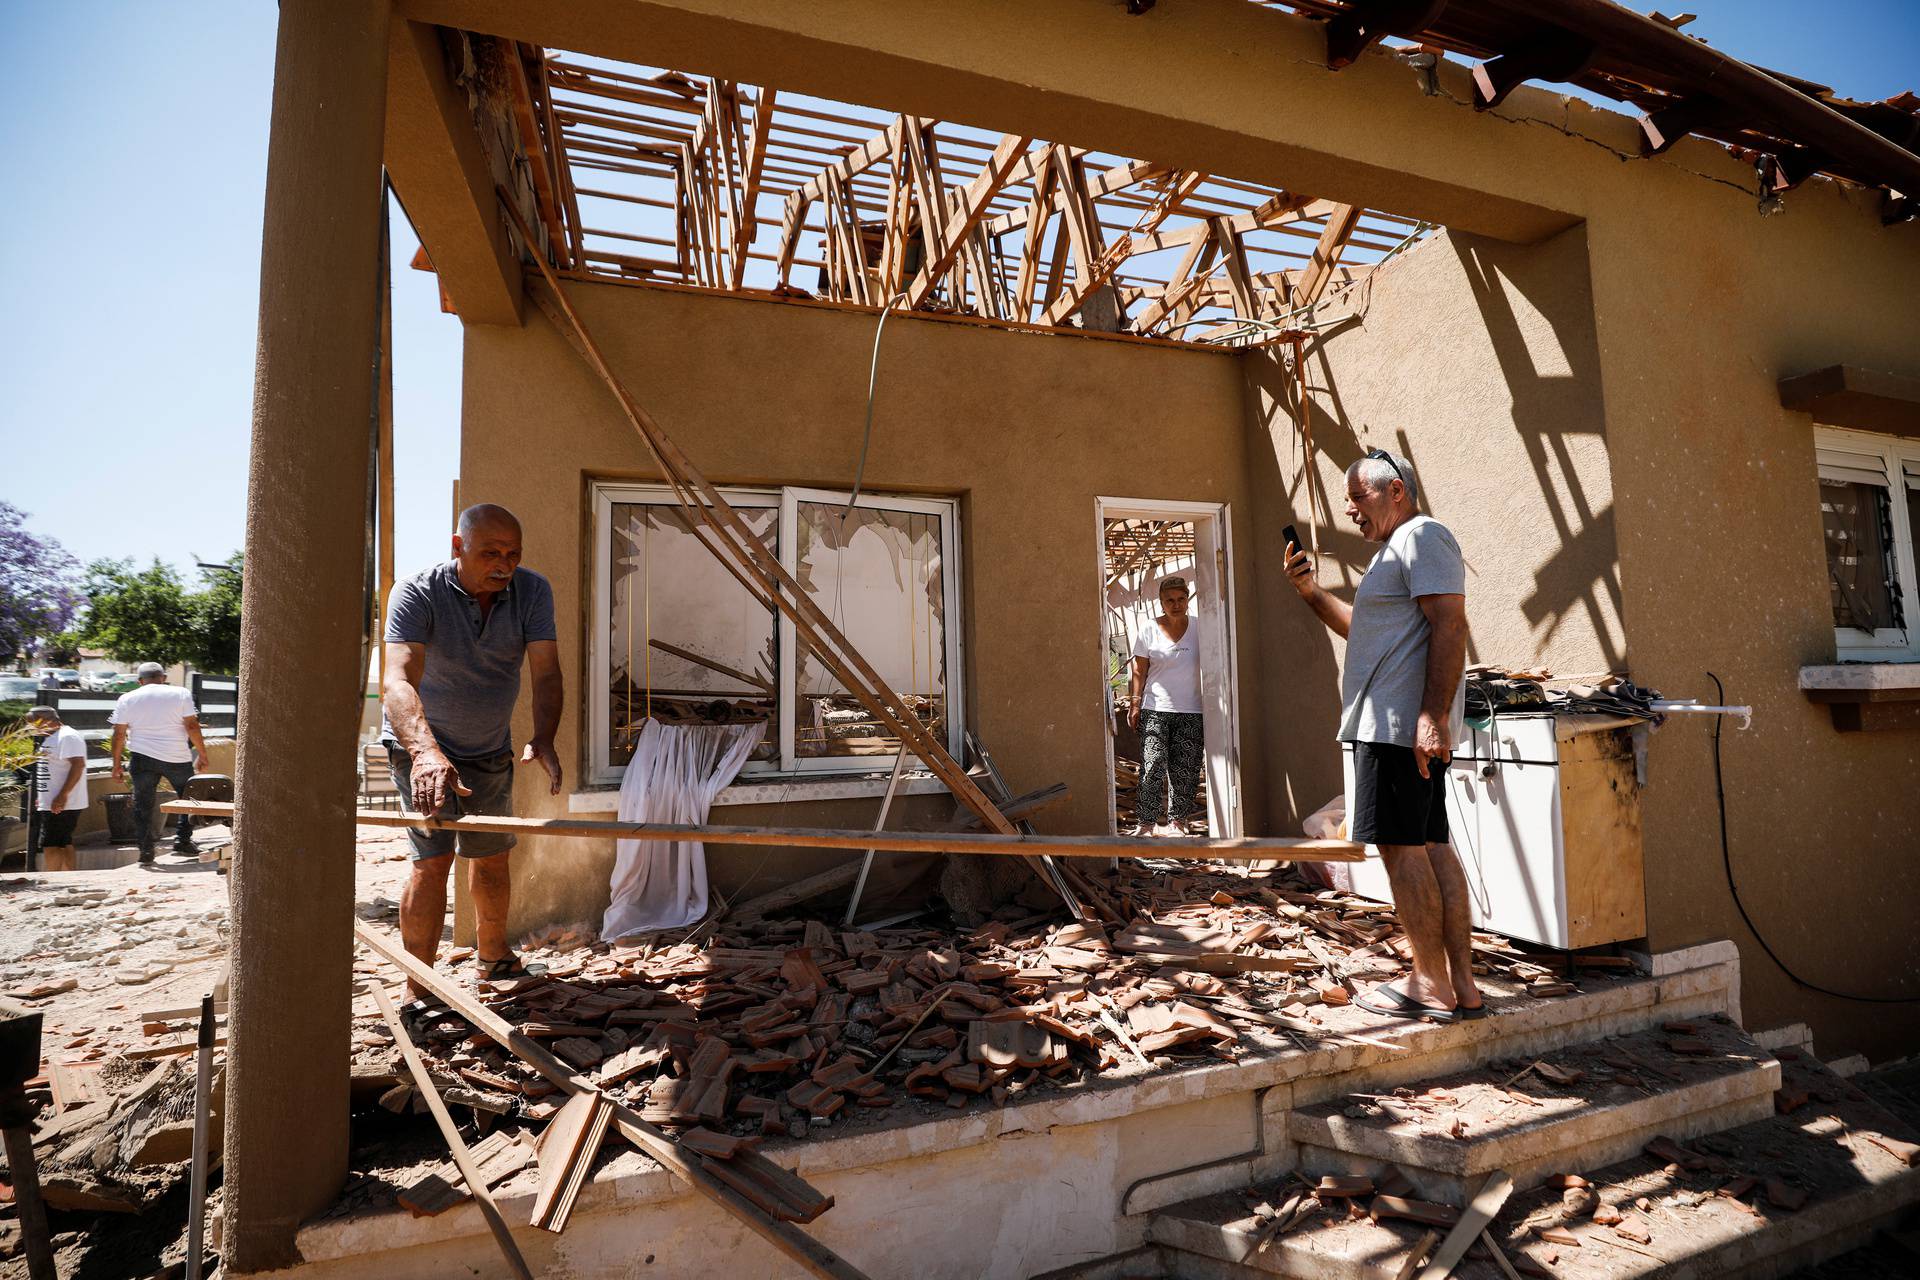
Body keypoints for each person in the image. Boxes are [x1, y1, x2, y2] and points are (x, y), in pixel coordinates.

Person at [1284, 448, 1482, 1021]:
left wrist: (1430, 716)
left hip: (1397, 728)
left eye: (1358, 497)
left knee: (1403, 851)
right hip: (1398, 727)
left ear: (1396, 490)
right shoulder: (1394, 553)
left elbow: (1450, 623)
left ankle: (1430, 983)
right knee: (1431, 845)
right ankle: (1461, 986)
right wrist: (1312, 593)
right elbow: (1366, 632)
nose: (1350, 511)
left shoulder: (1423, 536)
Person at [383, 503, 564, 988]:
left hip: (488, 748)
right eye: (490, 553)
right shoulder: (417, 591)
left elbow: (546, 672)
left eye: (513, 553)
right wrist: (424, 753)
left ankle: (494, 958)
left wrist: (544, 735)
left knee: (491, 856)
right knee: (432, 860)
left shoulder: (532, 591)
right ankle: (419, 983)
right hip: (421, 745)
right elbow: (398, 679)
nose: (503, 564)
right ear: (458, 547)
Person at [1125, 574, 1205, 837]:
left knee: (1186, 769)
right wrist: (1135, 704)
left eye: (1181, 599)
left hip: (1192, 710)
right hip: (1155, 708)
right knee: (1153, 765)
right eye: (1169, 600)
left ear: (1187, 599)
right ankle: (1146, 824)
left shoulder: (1201, 628)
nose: (1176, 604)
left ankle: (1177, 823)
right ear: (1161, 602)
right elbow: (1139, 671)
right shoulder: (1148, 629)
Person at [109, 662, 209, 863]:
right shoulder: (180, 693)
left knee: (142, 804)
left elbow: (119, 734)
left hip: (142, 757)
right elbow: (191, 725)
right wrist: (202, 753)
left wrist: (116, 764)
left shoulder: (127, 698)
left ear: (140, 681)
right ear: (163, 677)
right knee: (189, 799)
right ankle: (182, 840)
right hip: (177, 757)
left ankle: (146, 850)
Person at [27, 706, 88, 873]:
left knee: (50, 843)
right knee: (62, 841)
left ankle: (55, 879)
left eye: (33, 723)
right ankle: (68, 877)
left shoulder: (67, 736)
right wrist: (43, 795)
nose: (30, 728)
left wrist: (62, 795)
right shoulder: (52, 737)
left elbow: (78, 765)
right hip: (52, 801)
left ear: (45, 720)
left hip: (63, 802)